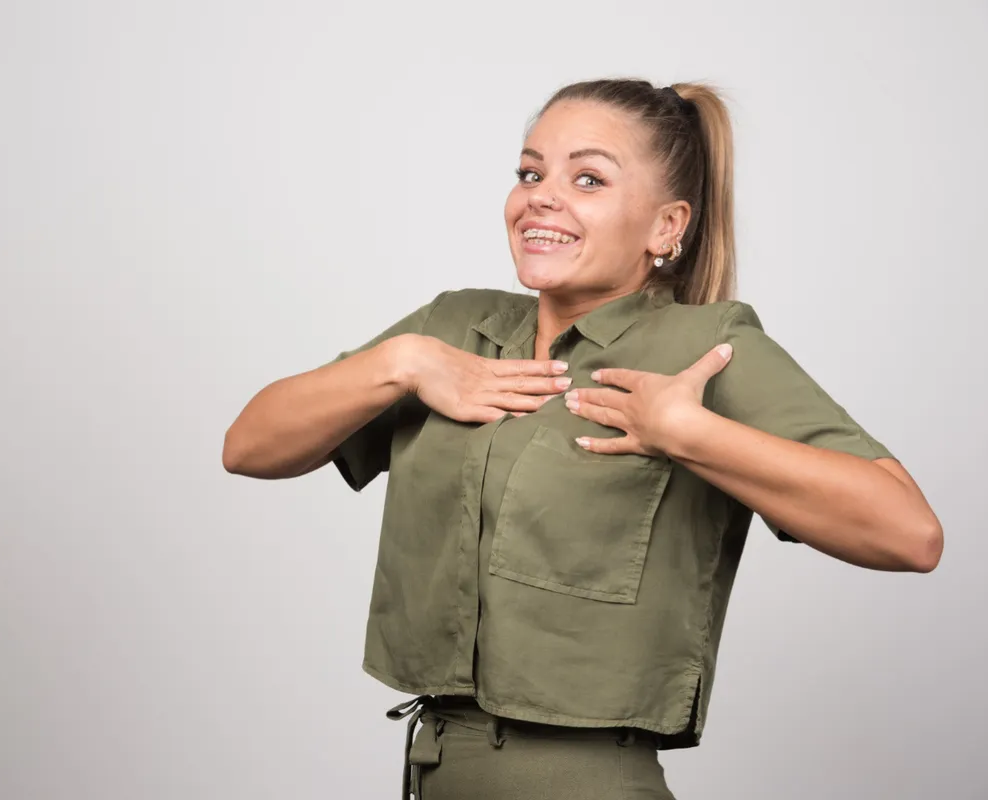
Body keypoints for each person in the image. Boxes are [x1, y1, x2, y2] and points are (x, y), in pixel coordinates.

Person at [223, 78, 943, 799]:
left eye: (588, 178)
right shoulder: (452, 329)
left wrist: (688, 431)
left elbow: (909, 533)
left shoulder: (703, 350)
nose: (540, 195)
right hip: (437, 766)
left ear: (668, 227)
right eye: (530, 173)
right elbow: (248, 448)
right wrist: (402, 362)